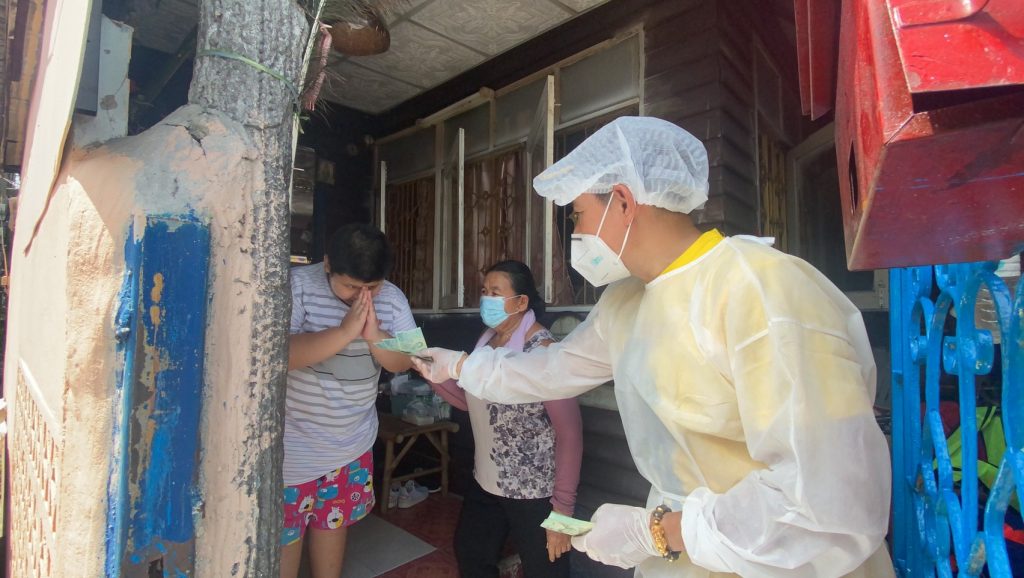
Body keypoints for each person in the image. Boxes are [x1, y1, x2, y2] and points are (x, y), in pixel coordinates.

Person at [412, 117, 895, 578]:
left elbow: (830, 502)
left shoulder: (761, 288)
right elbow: (553, 369)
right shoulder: (626, 301)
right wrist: (460, 366)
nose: (575, 236)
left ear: (623, 201)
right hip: (686, 558)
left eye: (578, 216)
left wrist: (656, 532)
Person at [425, 260, 582, 578]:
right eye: (484, 291)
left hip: (535, 493)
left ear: (521, 302)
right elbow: (472, 403)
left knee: (547, 570)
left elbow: (571, 434)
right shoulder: (486, 342)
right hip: (486, 481)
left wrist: (563, 514)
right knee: (471, 554)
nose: (486, 299)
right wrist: (432, 374)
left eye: (496, 293)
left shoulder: (544, 352)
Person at [282, 223, 416, 578]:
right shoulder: (298, 285)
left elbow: (408, 360)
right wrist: (344, 332)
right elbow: (280, 355)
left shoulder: (392, 298)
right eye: (351, 286)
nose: (361, 296)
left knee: (332, 525)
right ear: (327, 264)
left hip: (350, 444)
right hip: (292, 449)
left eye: (372, 287)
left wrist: (373, 334)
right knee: (284, 537)